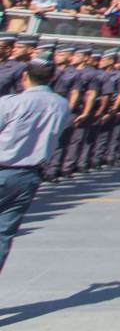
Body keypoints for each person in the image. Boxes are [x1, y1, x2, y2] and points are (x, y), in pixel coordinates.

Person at [0, 57, 73, 275]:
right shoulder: (61, 104)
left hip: (4, 167)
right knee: (3, 234)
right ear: (53, 78)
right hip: (29, 175)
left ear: (24, 76)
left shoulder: (11, 102)